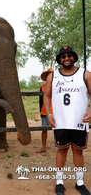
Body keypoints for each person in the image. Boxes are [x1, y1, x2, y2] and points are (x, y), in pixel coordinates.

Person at [44, 46, 91, 195]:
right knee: (61, 150)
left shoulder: (85, 74)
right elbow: (46, 96)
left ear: (74, 57)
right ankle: (59, 182)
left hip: (79, 121)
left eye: (69, 56)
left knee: (78, 152)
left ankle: (80, 183)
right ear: (59, 59)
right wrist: (49, 114)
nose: (66, 58)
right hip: (60, 122)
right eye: (63, 56)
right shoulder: (53, 76)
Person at [36, 68, 53, 153]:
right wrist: (40, 112)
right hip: (45, 112)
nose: (50, 76)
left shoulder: (59, 86)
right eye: (48, 75)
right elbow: (40, 101)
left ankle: (60, 147)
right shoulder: (42, 87)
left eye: (52, 74)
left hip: (57, 112)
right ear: (46, 77)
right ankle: (43, 147)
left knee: (58, 130)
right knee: (44, 130)